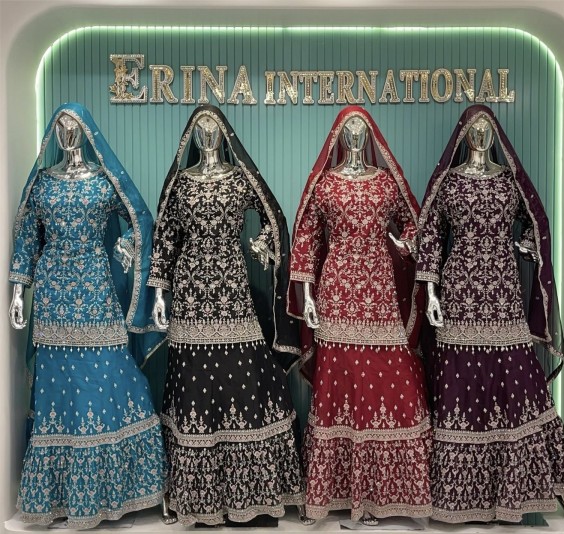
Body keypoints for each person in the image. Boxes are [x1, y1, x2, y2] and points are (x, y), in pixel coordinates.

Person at [416, 104, 564, 524]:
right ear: (463, 134)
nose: (480, 134)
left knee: (519, 378)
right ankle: (459, 500)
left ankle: (549, 489)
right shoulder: (449, 182)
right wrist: (431, 291)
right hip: (459, 290)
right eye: (473, 127)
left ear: (496, 134)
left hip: (504, 289)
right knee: (459, 380)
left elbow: (536, 222)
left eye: (487, 127)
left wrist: (526, 245)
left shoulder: (510, 182)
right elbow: (431, 234)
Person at [9, 103, 165, 529]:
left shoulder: (102, 180)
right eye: (60, 125)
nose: (67, 133)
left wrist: (127, 248)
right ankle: (60, 498)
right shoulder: (43, 183)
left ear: (86, 131)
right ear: (53, 132)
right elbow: (27, 238)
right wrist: (18, 292)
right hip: (53, 296)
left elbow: (139, 218)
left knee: (111, 375)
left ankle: (117, 491)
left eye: (73, 125)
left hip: (96, 289)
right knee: (58, 387)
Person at [148, 104, 304, 526]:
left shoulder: (238, 179)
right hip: (191, 292)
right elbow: (165, 239)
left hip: (232, 286)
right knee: (193, 380)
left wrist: (267, 248)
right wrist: (160, 292)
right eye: (199, 127)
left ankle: (249, 492)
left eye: (213, 126)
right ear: (191, 136)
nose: (207, 134)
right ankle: (196, 497)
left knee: (241, 375)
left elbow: (273, 214)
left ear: (224, 134)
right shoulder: (181, 183)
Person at [288, 106, 431, 524]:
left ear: (369, 135)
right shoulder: (326, 183)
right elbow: (307, 238)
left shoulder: (386, 181)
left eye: (360, 127)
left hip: (380, 290)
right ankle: (336, 495)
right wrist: (307, 295)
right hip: (337, 291)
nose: (354, 133)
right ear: (338, 134)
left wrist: (404, 244)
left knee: (390, 380)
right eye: (348, 127)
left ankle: (384, 494)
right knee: (341, 381)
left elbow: (413, 224)